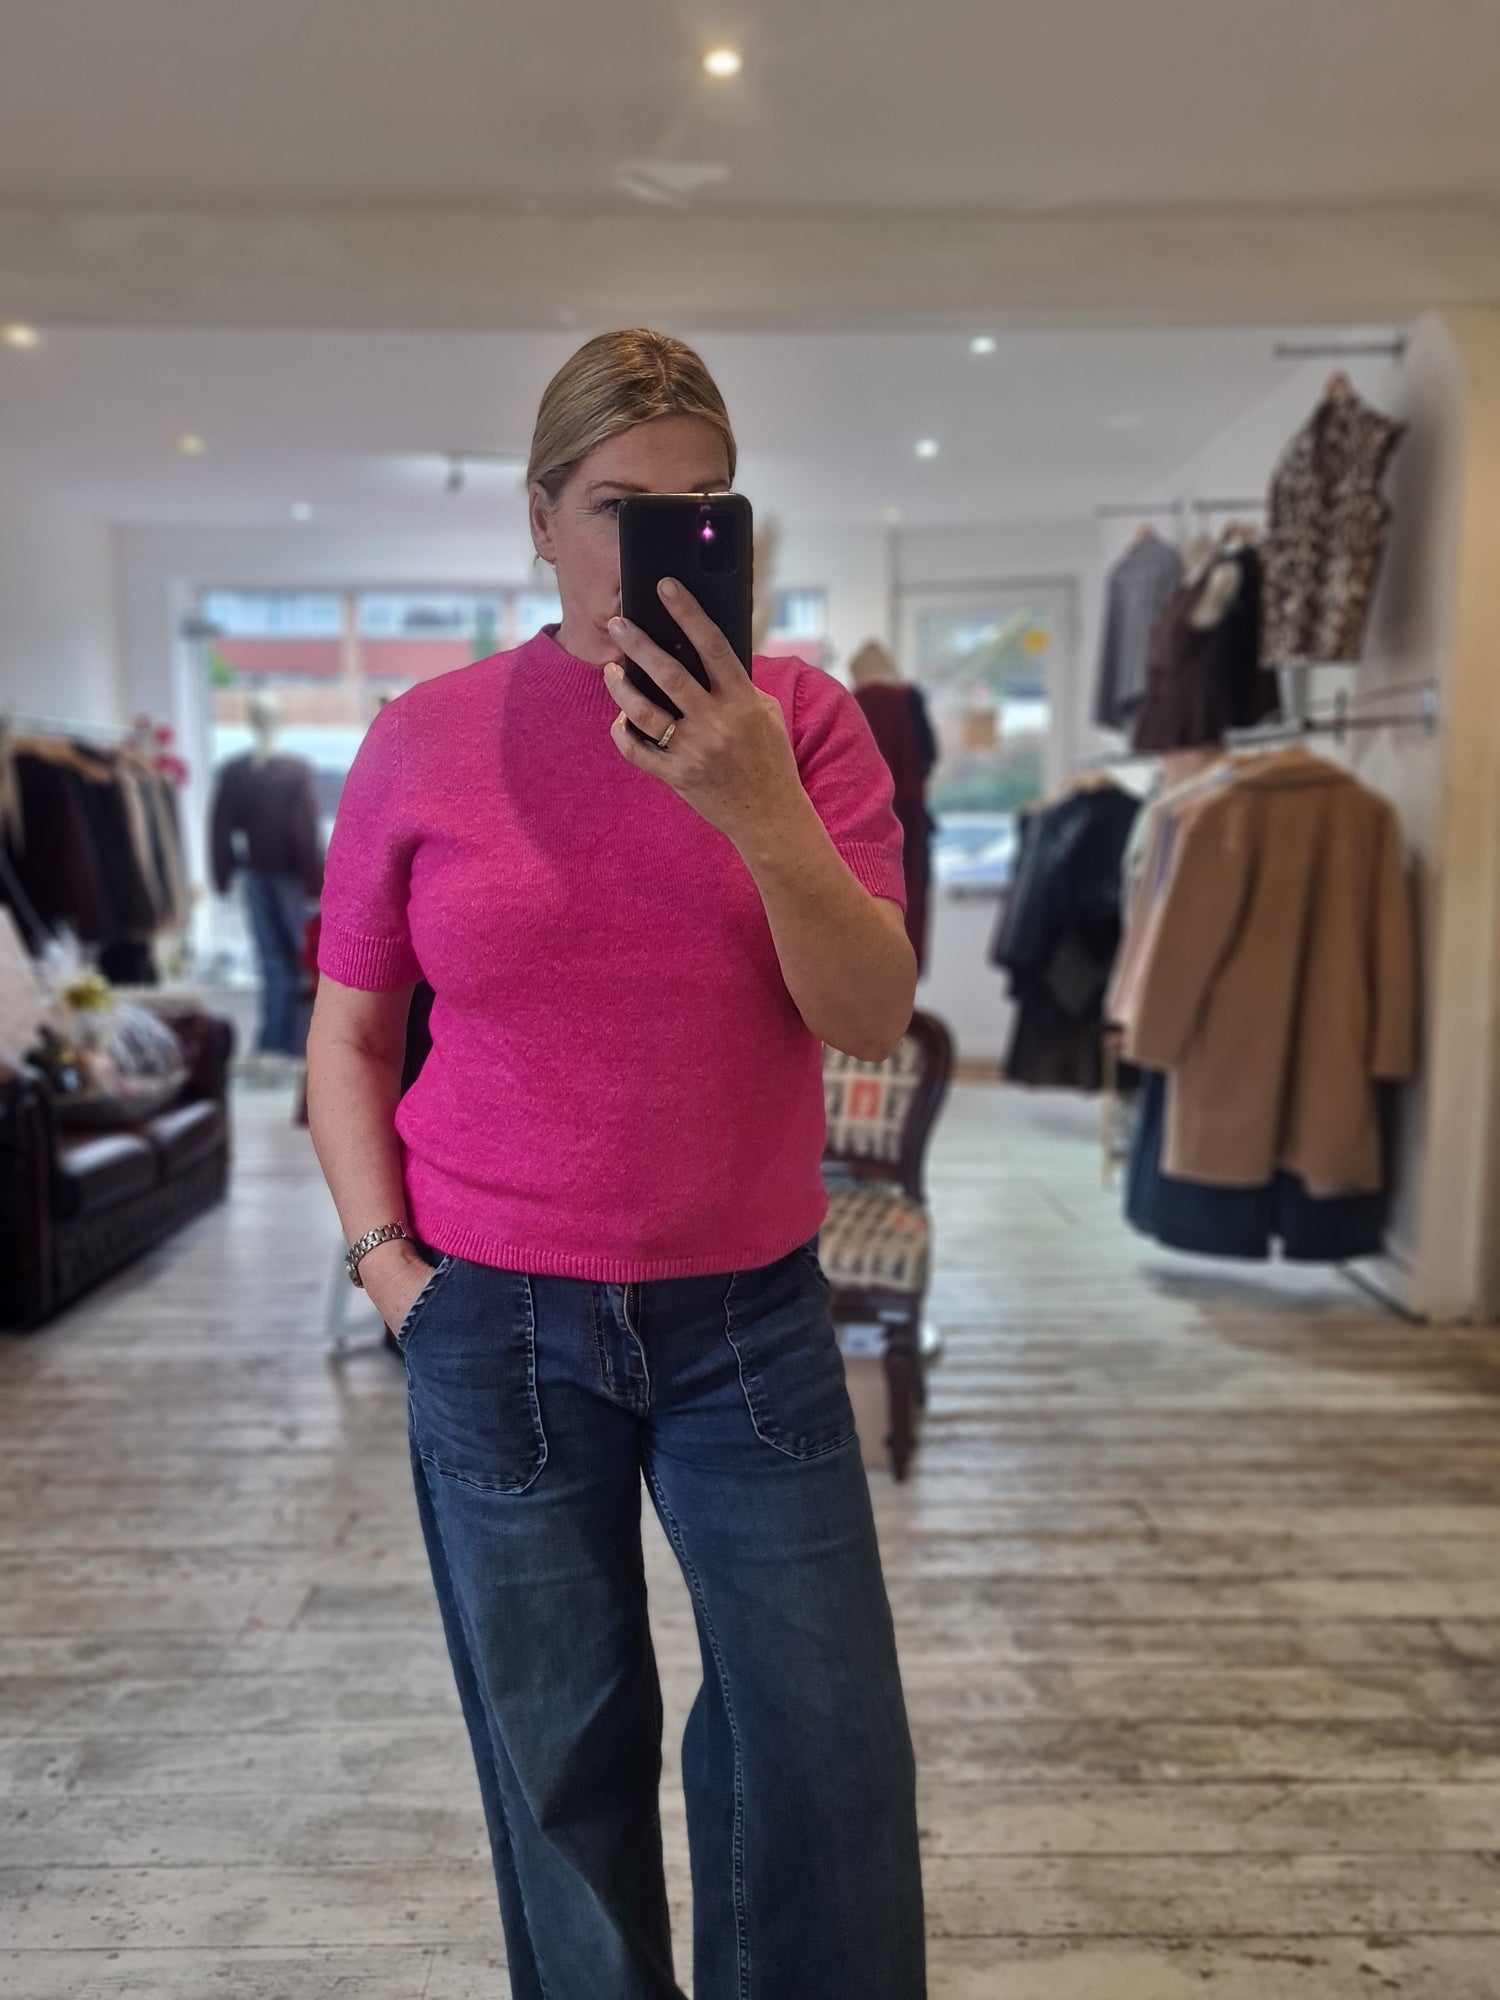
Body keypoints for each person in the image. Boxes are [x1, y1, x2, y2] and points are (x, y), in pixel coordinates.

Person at [306, 328, 926, 2000]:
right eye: (617, 506)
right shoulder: (426, 739)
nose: (659, 542)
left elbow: (868, 1012)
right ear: (539, 518)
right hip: (493, 1317)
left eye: (703, 505)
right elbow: (349, 1038)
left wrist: (758, 804)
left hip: (750, 1315)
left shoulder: (806, 726)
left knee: (826, 1758)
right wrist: (389, 1274)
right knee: (557, 1763)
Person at [849, 641, 940, 974]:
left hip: (866, 834)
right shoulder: (909, 703)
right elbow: (928, 762)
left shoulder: (859, 704)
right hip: (909, 832)